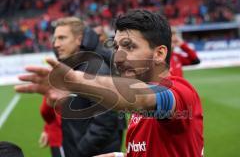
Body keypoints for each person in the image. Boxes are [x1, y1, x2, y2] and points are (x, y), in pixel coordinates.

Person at [15, 10, 203, 157]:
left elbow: (142, 96)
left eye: (130, 47)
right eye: (117, 47)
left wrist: (77, 82)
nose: (118, 57)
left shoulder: (179, 92)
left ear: (159, 53)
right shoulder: (142, 106)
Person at [43, 17, 121, 157]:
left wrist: (79, 151)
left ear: (79, 40)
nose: (56, 44)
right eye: (55, 39)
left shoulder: (94, 69)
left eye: (62, 38)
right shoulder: (76, 67)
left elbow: (104, 122)